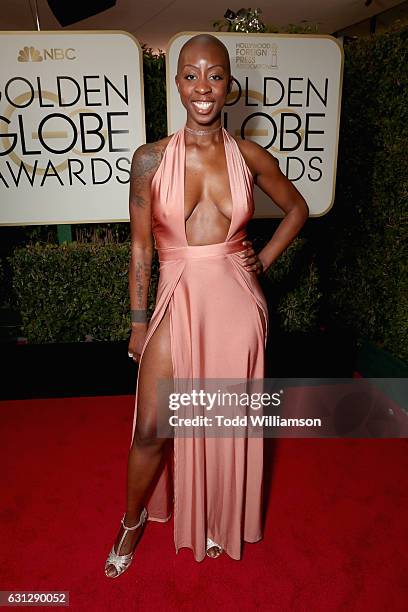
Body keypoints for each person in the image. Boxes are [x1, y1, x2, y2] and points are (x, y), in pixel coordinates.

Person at [104, 33, 309, 577]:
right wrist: (137, 321)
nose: (203, 87)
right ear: (176, 83)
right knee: (151, 425)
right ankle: (131, 520)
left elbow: (296, 208)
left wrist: (258, 262)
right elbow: (142, 246)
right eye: (191, 75)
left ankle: (219, 519)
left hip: (236, 302)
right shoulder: (149, 159)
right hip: (176, 295)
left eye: (214, 76)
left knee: (222, 422)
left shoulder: (247, 154)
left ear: (229, 85)